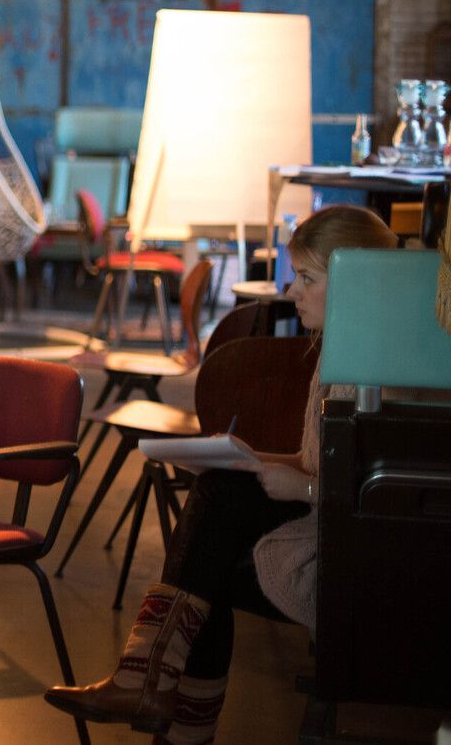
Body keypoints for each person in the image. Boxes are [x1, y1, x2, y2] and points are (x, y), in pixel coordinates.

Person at [44, 204, 400, 744]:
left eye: (307, 278)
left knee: (210, 557)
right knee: (216, 523)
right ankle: (154, 691)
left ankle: (149, 687)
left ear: (354, 280)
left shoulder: (379, 369)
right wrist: (251, 458)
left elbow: (372, 498)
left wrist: (297, 483)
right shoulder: (341, 354)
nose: (294, 291)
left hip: (355, 558)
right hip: (325, 528)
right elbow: (321, 464)